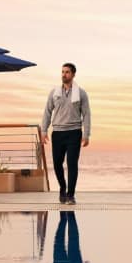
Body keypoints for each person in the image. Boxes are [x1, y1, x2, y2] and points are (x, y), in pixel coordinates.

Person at [40, 62, 91, 204]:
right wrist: (44, 130)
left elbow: (86, 114)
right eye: (62, 72)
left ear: (73, 74)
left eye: (67, 72)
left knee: (72, 164)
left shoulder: (81, 93)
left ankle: (70, 195)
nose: (64, 74)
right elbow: (47, 112)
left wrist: (86, 134)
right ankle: (63, 188)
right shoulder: (54, 93)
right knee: (57, 164)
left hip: (74, 133)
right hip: (57, 133)